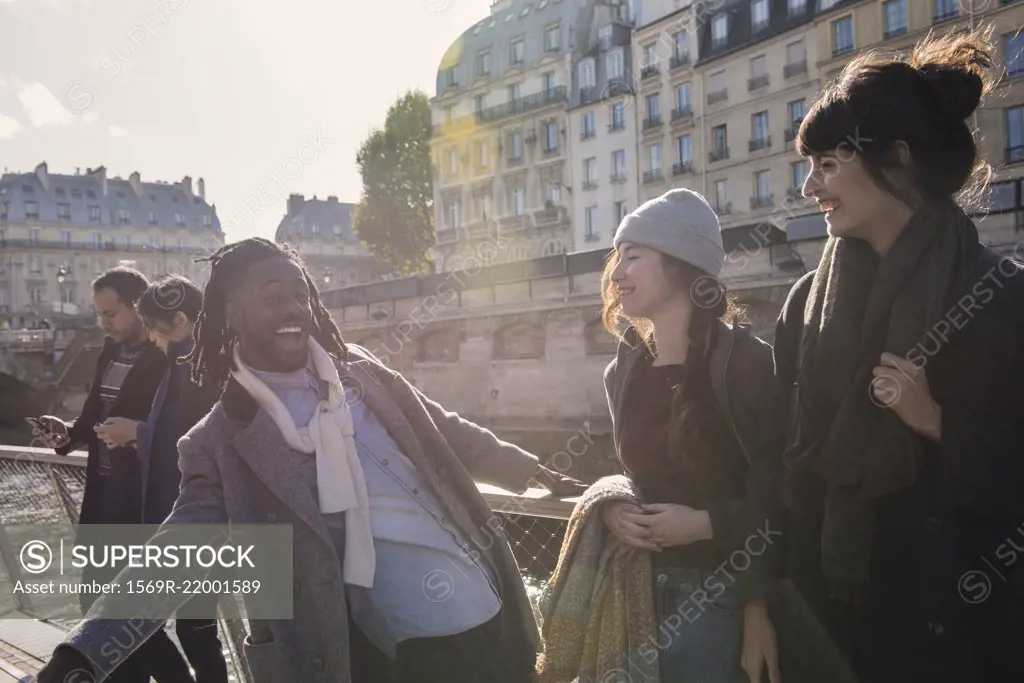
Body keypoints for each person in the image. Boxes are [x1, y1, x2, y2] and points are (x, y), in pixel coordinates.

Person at [37, 237, 585, 683]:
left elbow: (444, 431)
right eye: (274, 295)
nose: (295, 307)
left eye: (301, 293)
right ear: (232, 313)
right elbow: (177, 552)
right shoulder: (221, 438)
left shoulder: (363, 373)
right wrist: (82, 655)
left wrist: (534, 472)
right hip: (392, 645)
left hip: (485, 603)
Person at [775, 28, 1024, 683]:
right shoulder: (803, 303)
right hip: (828, 632)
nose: (810, 187)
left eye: (827, 163)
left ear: (898, 158)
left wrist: (939, 423)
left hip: (957, 639)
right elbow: (784, 468)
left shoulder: (1002, 294)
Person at [540, 190, 786, 683]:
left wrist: (714, 532)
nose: (615, 275)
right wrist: (611, 505)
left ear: (680, 265)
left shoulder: (748, 365)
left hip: (723, 600)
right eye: (616, 259)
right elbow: (640, 477)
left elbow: (784, 493)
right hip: (637, 597)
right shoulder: (623, 371)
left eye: (633, 257)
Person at [33, 266, 195, 683]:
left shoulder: (167, 356)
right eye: (99, 314)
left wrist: (138, 432)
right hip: (103, 495)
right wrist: (66, 434)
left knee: (132, 614)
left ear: (138, 308)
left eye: (110, 313)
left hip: (139, 501)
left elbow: (184, 429)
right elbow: (93, 418)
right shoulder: (108, 350)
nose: (103, 323)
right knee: (97, 603)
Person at [94, 274, 229, 683]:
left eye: (155, 327)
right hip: (195, 523)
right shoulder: (191, 361)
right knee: (196, 629)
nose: (152, 338)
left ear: (182, 321)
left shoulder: (196, 368)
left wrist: (139, 432)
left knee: (135, 619)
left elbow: (202, 436)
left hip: (186, 522)